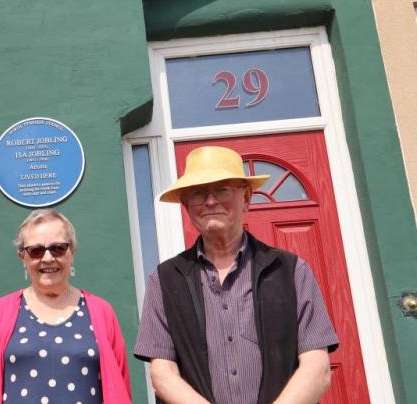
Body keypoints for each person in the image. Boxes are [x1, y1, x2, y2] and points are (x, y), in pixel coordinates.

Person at [134, 146, 338, 404]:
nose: (210, 201)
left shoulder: (291, 270)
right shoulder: (164, 280)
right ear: (186, 206)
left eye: (222, 189)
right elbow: (163, 373)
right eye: (198, 194)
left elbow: (317, 368)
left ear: (247, 198)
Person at [0, 209, 132, 404]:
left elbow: (120, 390)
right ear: (23, 258)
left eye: (58, 248)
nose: (48, 258)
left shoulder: (102, 311)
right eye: (36, 251)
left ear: (72, 253)